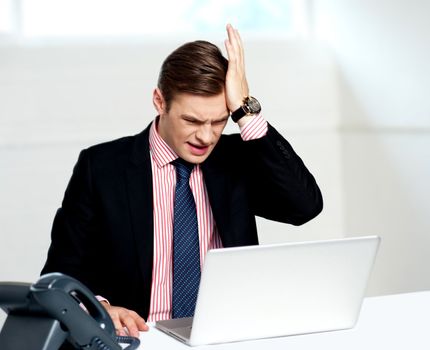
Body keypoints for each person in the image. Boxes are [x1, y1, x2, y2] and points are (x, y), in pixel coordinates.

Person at [41, 24, 323, 338]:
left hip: (226, 336)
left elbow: (305, 206)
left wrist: (245, 108)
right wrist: (99, 307)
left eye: (218, 120)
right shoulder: (102, 167)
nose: (206, 136)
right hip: (139, 339)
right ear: (160, 101)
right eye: (192, 120)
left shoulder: (236, 160)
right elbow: (59, 275)